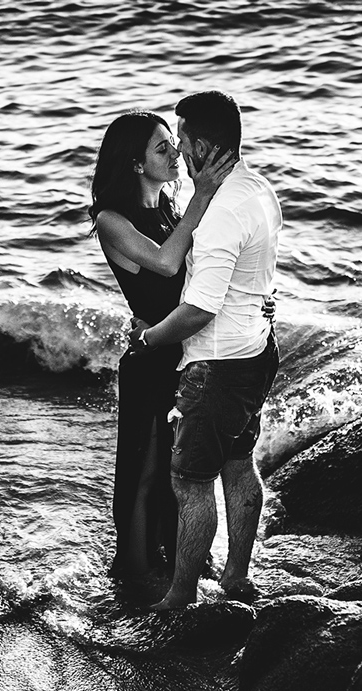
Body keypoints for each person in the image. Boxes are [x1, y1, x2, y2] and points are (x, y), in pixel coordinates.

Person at [125, 90, 282, 610]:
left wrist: (147, 338)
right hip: (259, 350)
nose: (178, 151)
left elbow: (199, 310)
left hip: (216, 365)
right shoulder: (259, 190)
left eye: (182, 139)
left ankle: (180, 597)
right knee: (241, 466)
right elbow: (260, 274)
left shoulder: (218, 214)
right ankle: (237, 578)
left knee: (190, 482)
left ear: (199, 146)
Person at [89, 110, 233, 579]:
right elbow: (167, 264)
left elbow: (202, 270)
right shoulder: (112, 220)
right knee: (145, 471)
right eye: (162, 147)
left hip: (181, 353)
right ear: (134, 163)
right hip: (149, 359)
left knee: (183, 471)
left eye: (174, 143)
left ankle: (180, 561)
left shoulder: (172, 209)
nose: (175, 153)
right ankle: (133, 571)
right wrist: (203, 193)